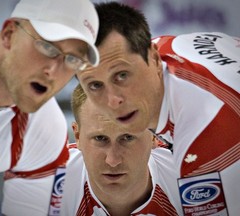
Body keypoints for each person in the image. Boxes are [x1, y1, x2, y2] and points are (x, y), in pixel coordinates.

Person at [77, 2, 240, 216]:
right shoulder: (157, 51)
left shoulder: (206, 138)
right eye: (95, 85)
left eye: (122, 76)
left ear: (153, 59)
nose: (112, 100)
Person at [0, 0, 99, 215]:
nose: (53, 69)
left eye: (72, 59)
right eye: (47, 47)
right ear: (9, 35)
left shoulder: (46, 134)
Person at [60, 84, 181, 216]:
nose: (113, 160)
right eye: (100, 138)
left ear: (154, 135)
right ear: (78, 136)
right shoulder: (49, 180)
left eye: (128, 137)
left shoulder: (191, 176)